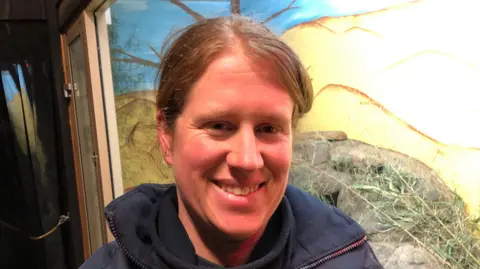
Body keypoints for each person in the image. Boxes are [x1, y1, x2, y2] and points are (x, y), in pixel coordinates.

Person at [79, 15, 383, 269]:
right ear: (166, 135)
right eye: (219, 126)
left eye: (268, 128)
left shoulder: (348, 260)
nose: (247, 160)